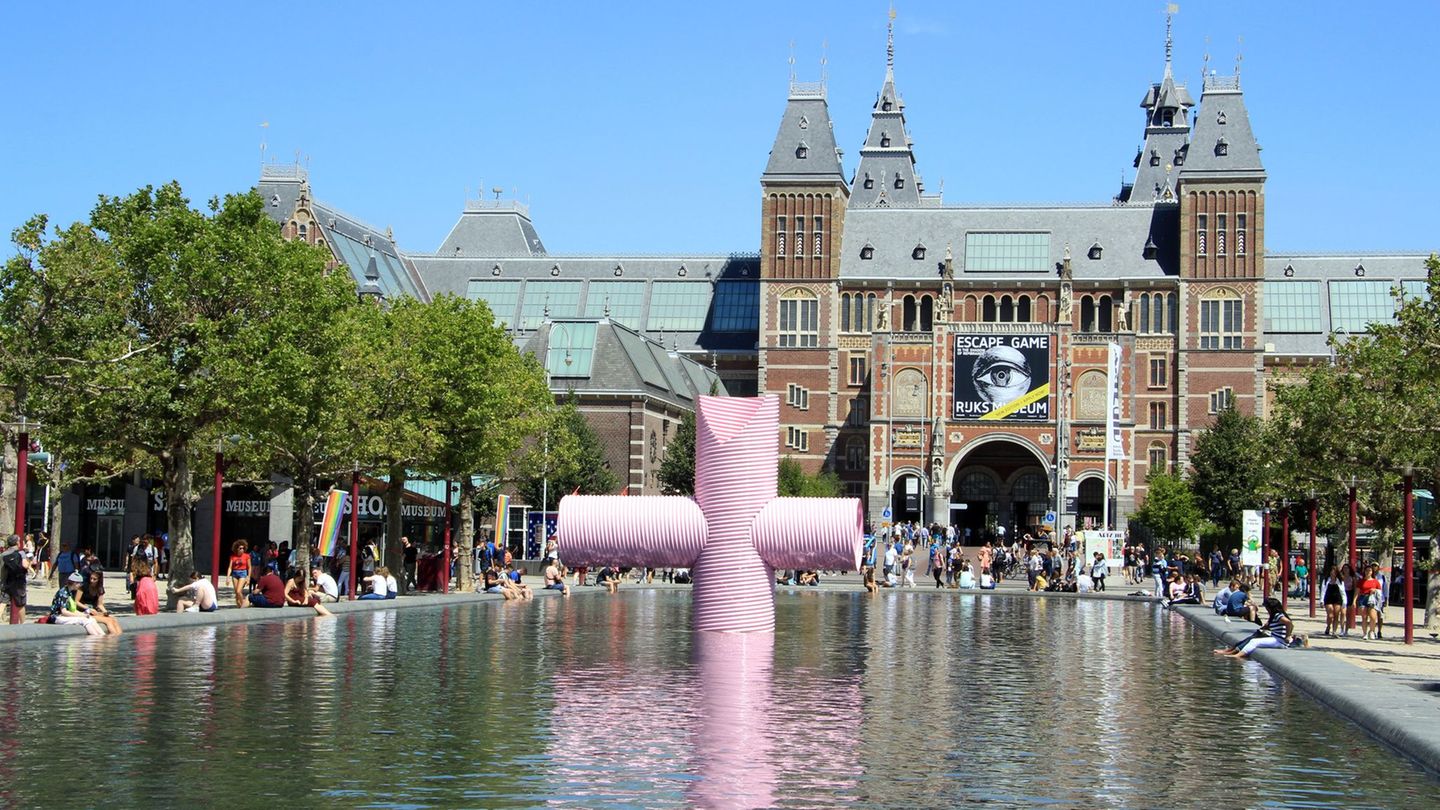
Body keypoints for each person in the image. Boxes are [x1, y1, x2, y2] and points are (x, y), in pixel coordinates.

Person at [1216, 597, 1306, 658]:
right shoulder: (1274, 615)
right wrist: (1262, 629)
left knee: (1254, 641)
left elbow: (1289, 623)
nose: (1266, 609)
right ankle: (1230, 651)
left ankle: (1237, 655)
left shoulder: (1278, 615)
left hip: (1279, 641)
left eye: (1267, 608)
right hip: (1275, 637)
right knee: (1253, 636)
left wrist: (1287, 636)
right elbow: (1267, 626)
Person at [2, 534, 31, 625]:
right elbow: (25, 565)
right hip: (18, 582)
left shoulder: (3, 554)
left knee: (3, 602)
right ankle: (22, 624)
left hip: (6, 581)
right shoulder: (20, 553)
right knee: (20, 604)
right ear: (17, 542)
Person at [1358, 564, 1384, 641]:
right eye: (1367, 570)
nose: (1368, 572)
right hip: (1363, 598)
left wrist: (1375, 590)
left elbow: (1380, 591)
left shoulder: (1376, 581)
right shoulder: (1361, 581)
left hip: (1372, 599)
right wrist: (1354, 601)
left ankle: (1372, 631)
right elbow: (1357, 591)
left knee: (1373, 617)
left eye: (1370, 570)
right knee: (1364, 617)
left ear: (1372, 572)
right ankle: (1364, 633)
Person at [1320, 565, 1347, 637]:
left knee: (1336, 614)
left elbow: (1343, 592)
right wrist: (1321, 600)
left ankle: (1334, 631)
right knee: (1330, 614)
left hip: (1337, 598)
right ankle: (1328, 626)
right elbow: (1323, 590)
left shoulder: (1340, 581)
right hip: (1328, 598)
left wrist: (1344, 602)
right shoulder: (1326, 580)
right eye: (1332, 572)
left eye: (1334, 572)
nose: (1333, 573)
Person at [226, 540, 250, 608]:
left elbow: (249, 567)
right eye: (240, 548)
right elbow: (230, 567)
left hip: (243, 573)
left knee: (238, 591)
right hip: (235, 573)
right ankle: (238, 606)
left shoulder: (246, 556)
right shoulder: (233, 556)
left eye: (243, 548)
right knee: (236, 593)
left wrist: (248, 577)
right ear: (237, 549)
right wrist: (227, 578)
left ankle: (243, 605)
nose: (242, 550)